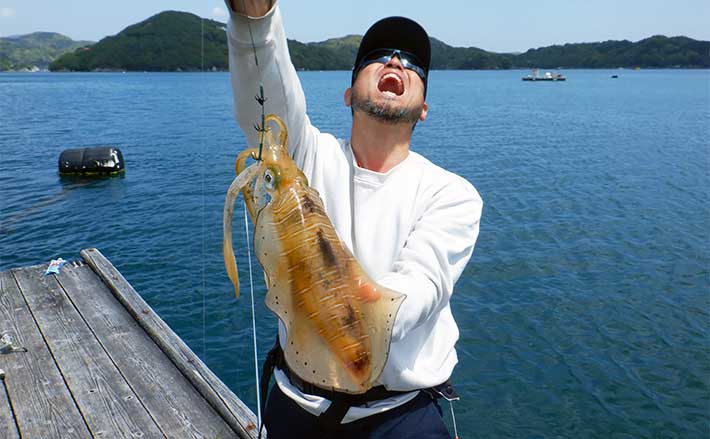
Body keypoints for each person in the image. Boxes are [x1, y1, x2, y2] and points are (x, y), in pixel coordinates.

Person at [225, 1, 482, 438]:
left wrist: (360, 311)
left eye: (413, 63)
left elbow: (422, 284)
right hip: (295, 403)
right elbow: (268, 109)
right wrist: (255, 17)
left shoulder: (451, 194)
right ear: (348, 95)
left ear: (423, 108)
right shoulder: (305, 158)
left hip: (399, 418)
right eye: (376, 57)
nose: (396, 61)